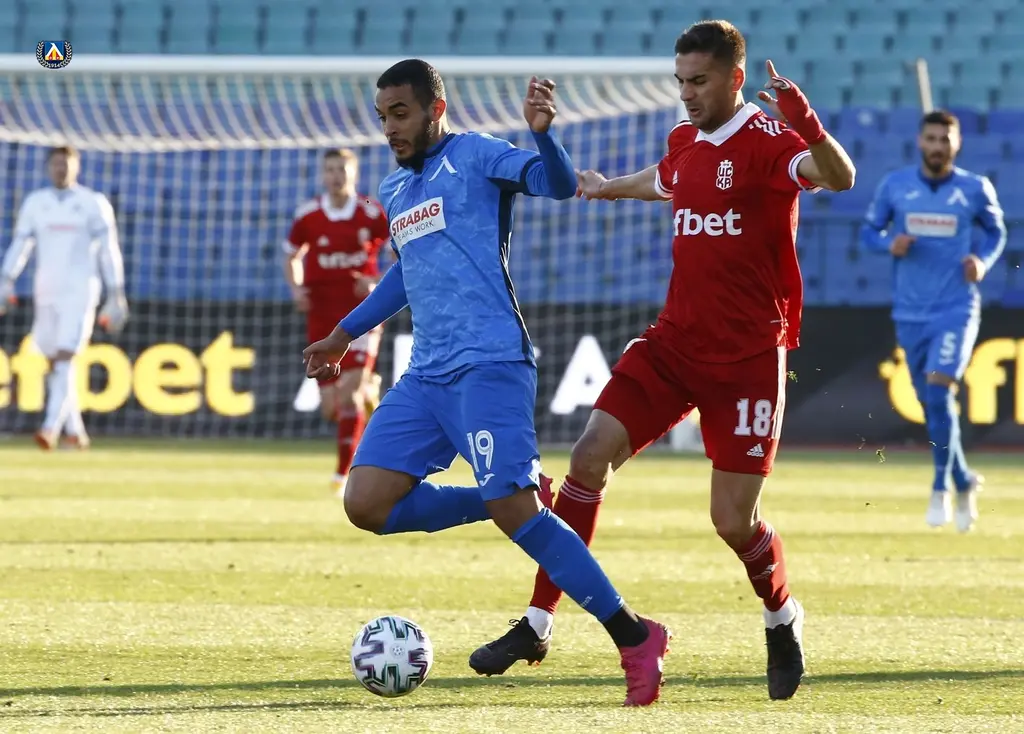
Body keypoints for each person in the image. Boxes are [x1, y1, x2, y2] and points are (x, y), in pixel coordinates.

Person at [469, 20, 856, 702]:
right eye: (680, 81)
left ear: (735, 79)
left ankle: (780, 614)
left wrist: (809, 123)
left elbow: (838, 177)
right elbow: (667, 180)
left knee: (732, 521)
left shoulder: (771, 141)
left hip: (748, 358)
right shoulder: (685, 140)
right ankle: (538, 622)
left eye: (699, 81)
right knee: (588, 456)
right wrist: (607, 187)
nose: (686, 93)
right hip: (674, 344)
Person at [303, 59, 670, 706]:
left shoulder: (477, 156)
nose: (390, 128)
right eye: (383, 117)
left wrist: (544, 135)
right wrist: (343, 333)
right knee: (366, 503)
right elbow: (406, 273)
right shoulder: (394, 187)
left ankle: (635, 636)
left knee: (518, 514)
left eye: (401, 114)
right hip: (426, 374)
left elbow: (557, 184)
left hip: (490, 363)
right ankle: (504, 497)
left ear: (435, 109)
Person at [860, 110, 1006, 532]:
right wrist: (890, 243)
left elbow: (996, 233)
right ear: (920, 142)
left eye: (946, 139)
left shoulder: (974, 188)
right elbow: (869, 233)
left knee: (940, 391)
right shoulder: (896, 186)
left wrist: (983, 260)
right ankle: (963, 478)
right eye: (932, 138)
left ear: (957, 144)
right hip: (910, 311)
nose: (938, 146)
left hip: (956, 308)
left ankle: (940, 486)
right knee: (930, 402)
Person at [0, 145, 128, 450]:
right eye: (58, 163)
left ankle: (50, 428)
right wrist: (6, 280)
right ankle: (75, 432)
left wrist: (116, 292)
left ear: (77, 167)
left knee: (66, 355)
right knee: (54, 362)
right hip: (46, 292)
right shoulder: (36, 203)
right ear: (49, 167)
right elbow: (21, 246)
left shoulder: (93, 204)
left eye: (67, 164)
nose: (62, 169)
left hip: (80, 290)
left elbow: (109, 250)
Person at [283, 148, 390, 494]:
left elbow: (403, 249)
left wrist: (376, 281)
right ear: (322, 175)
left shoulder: (371, 210)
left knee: (348, 395)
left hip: (362, 314)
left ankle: (343, 476)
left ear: (354, 174)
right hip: (322, 314)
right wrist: (296, 289)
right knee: (332, 408)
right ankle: (371, 392)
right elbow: (291, 255)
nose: (336, 176)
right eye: (330, 169)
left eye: (342, 169)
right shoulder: (308, 214)